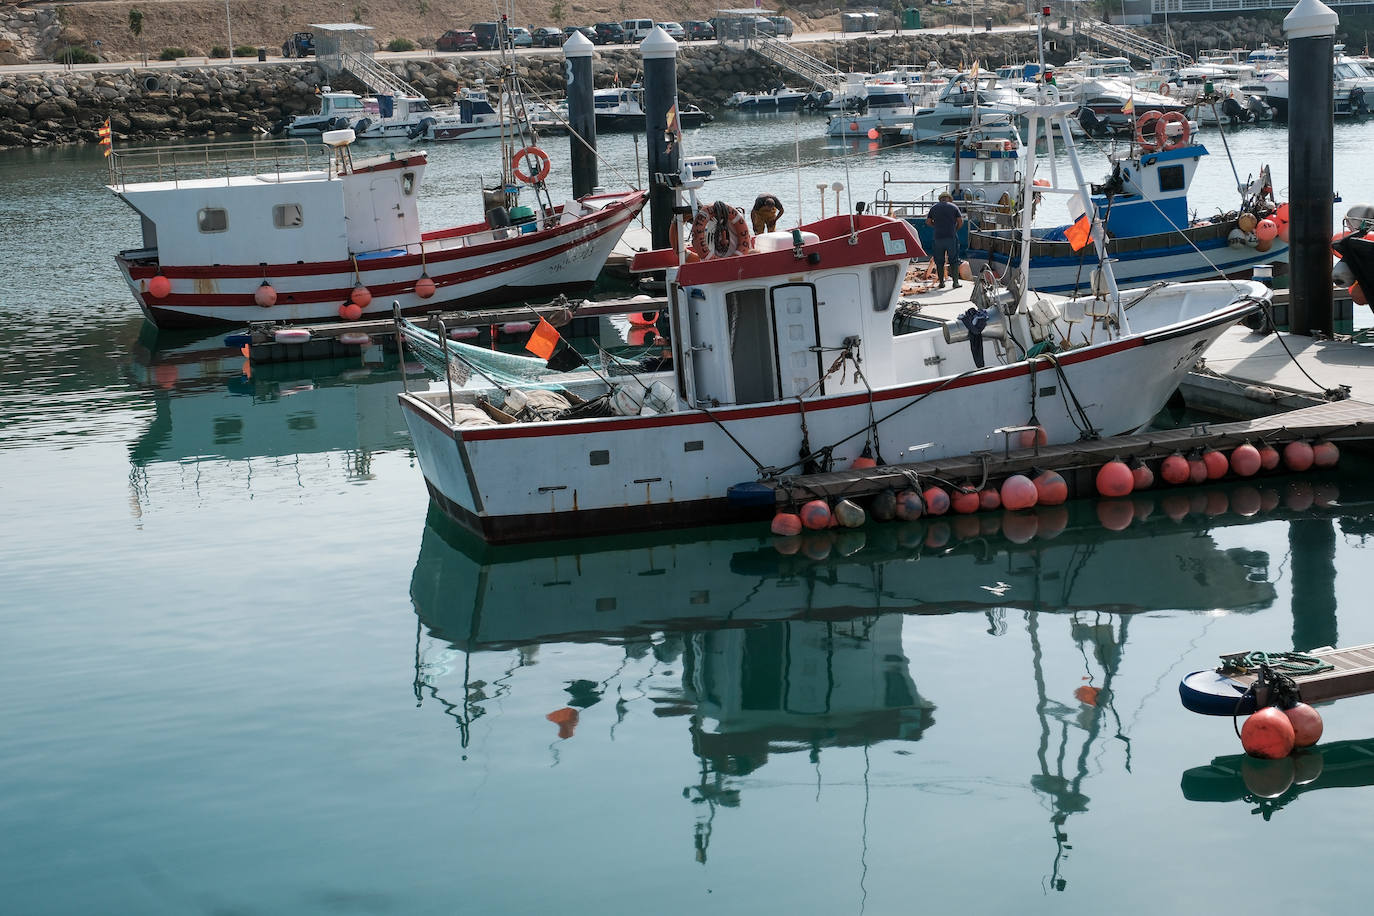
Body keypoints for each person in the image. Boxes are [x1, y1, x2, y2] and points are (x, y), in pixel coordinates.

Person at [925, 191, 964, 289]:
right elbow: (960, 222)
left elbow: (928, 222)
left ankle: (941, 283)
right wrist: (955, 229)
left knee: (939, 261)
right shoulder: (954, 207)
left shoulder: (934, 208)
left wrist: (936, 226)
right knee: (954, 260)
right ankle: (955, 283)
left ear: (940, 199)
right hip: (951, 238)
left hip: (938, 238)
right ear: (949, 199)